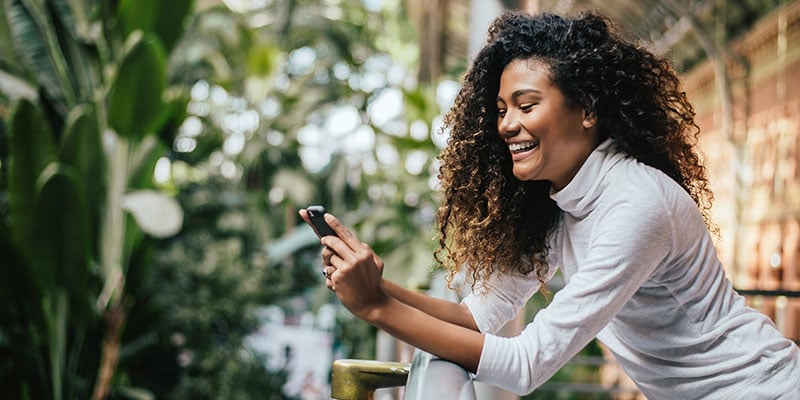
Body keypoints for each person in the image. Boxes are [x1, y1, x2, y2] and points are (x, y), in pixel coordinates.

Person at [299, 10, 800, 399]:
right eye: (500, 110)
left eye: (526, 104)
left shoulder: (636, 204)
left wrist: (375, 307)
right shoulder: (563, 201)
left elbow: (525, 366)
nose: (506, 125)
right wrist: (377, 283)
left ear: (587, 110)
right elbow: (479, 317)